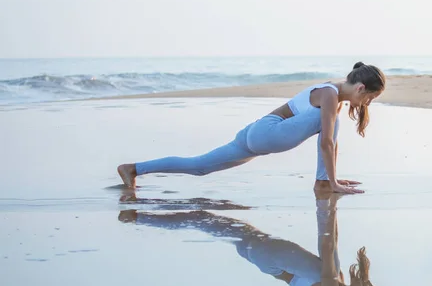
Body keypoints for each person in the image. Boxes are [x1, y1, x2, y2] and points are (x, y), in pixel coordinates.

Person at [118, 188, 387, 286]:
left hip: (262, 252)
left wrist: (327, 206)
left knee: (201, 218)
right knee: (207, 214)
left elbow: (326, 246)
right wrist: (331, 209)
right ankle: (142, 211)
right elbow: (320, 253)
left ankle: (138, 216)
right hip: (263, 253)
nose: (370, 283)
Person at [117, 62, 386, 194]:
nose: (366, 103)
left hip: (254, 134)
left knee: (198, 166)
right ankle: (324, 182)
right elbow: (327, 142)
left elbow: (328, 142)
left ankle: (134, 168)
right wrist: (333, 181)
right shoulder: (329, 95)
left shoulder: (331, 95)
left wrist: (334, 176)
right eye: (369, 98)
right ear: (361, 88)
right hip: (265, 132)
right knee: (330, 124)